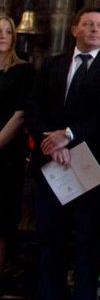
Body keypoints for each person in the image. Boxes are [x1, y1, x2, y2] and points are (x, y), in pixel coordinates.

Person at [21, 8, 100, 300]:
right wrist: (50, 140)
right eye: (89, 24)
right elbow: (33, 106)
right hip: (52, 162)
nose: (95, 29)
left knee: (87, 241)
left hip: (91, 163)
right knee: (49, 240)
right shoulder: (53, 64)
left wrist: (68, 135)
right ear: (75, 30)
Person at [0, 16, 34, 279]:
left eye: (8, 31)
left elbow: (22, 112)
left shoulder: (22, 71)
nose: (3, 35)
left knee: (2, 219)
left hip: (6, 154)